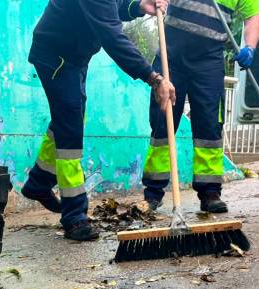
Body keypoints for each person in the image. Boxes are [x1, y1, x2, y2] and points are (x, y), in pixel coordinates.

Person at [21, 0, 176, 242]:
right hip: (56, 54)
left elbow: (113, 7)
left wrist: (137, 7)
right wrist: (153, 77)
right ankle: (74, 217)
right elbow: (111, 36)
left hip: (75, 56)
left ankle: (38, 182)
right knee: (70, 128)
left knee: (69, 120)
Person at [142, 0, 259, 213]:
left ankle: (210, 192)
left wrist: (250, 47)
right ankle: (153, 192)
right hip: (171, 56)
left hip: (208, 62)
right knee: (162, 124)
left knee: (209, 126)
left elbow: (252, 18)